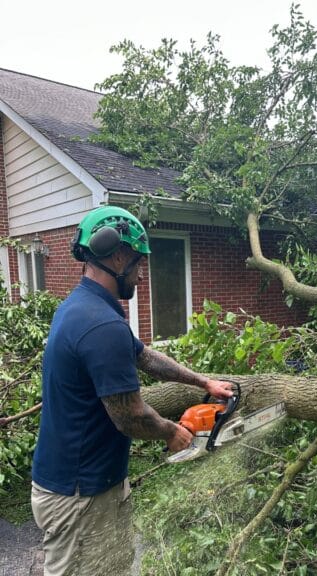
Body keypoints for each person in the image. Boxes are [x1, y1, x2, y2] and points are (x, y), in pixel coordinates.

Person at [30, 205, 236, 576]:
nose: (141, 276)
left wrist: (202, 382)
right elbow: (130, 416)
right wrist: (175, 432)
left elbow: (144, 356)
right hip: (81, 494)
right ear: (120, 255)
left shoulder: (85, 308)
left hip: (84, 485)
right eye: (139, 263)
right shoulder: (100, 325)